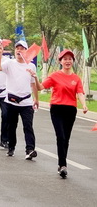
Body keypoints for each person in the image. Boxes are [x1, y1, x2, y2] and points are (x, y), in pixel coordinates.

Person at [37, 49, 88, 179]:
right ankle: (63, 165)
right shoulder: (54, 76)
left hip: (70, 109)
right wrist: (34, 78)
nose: (67, 61)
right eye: (65, 59)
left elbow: (80, 93)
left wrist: (84, 105)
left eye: (70, 59)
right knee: (61, 136)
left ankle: (61, 165)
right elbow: (41, 87)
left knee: (66, 138)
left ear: (73, 61)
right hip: (57, 108)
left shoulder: (76, 78)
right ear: (60, 61)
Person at [0, 40, 39, 159]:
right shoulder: (10, 63)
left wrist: (36, 98)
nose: (19, 50)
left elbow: (33, 83)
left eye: (22, 48)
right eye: (17, 48)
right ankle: (11, 147)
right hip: (11, 101)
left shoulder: (31, 65)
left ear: (26, 50)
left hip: (26, 101)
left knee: (28, 126)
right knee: (11, 126)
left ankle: (30, 149)